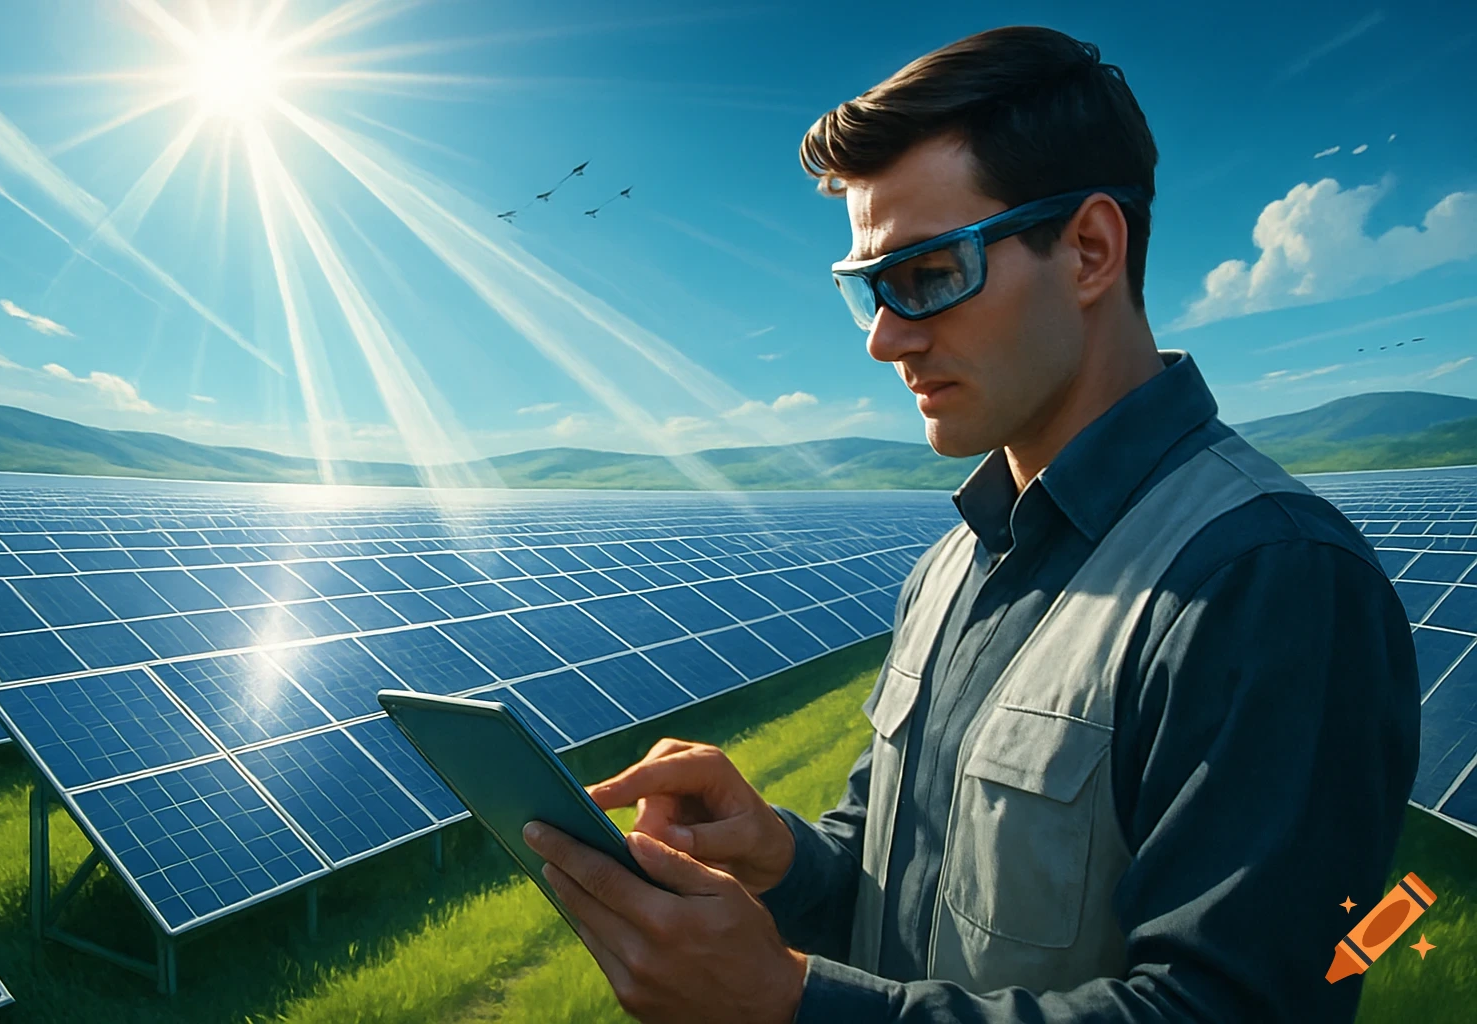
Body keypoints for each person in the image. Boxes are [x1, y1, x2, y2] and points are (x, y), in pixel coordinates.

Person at [522, 24, 1421, 1024]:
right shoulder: (952, 565)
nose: (882, 338)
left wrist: (785, 1004)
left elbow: (1237, 1007)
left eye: (926, 274)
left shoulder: (1270, 580)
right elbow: (893, 888)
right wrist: (780, 856)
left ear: (1088, 250)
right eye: (867, 289)